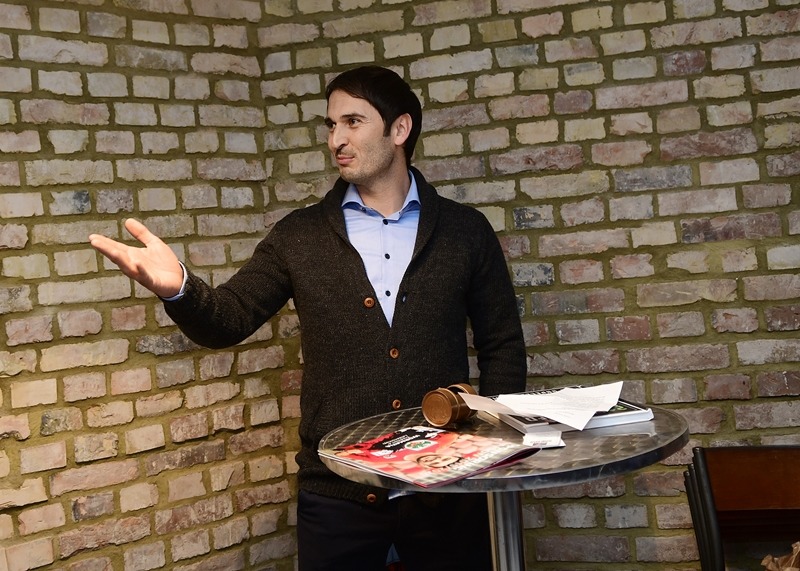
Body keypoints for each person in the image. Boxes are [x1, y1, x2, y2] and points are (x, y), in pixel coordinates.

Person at [89, 65, 526, 570]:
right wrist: (180, 288)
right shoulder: (299, 235)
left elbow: (502, 346)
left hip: (448, 494)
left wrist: (489, 451)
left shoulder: (465, 231)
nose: (337, 139)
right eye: (331, 125)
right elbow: (229, 318)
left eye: (353, 122)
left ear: (400, 129)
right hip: (337, 497)